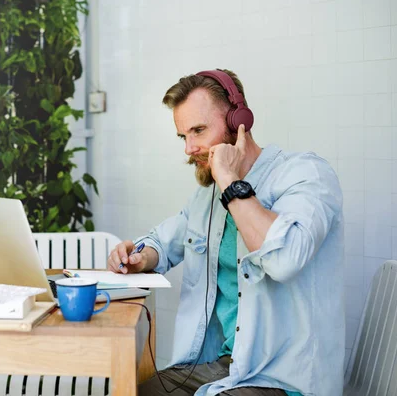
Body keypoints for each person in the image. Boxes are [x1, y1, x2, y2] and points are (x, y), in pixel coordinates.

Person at [107, 69, 344, 396]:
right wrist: (140, 256)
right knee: (135, 392)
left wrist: (231, 183)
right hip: (224, 366)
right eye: (183, 137)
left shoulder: (306, 175)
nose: (189, 148)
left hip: (283, 378)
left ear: (239, 122)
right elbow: (163, 242)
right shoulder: (207, 198)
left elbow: (284, 259)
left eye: (199, 131)